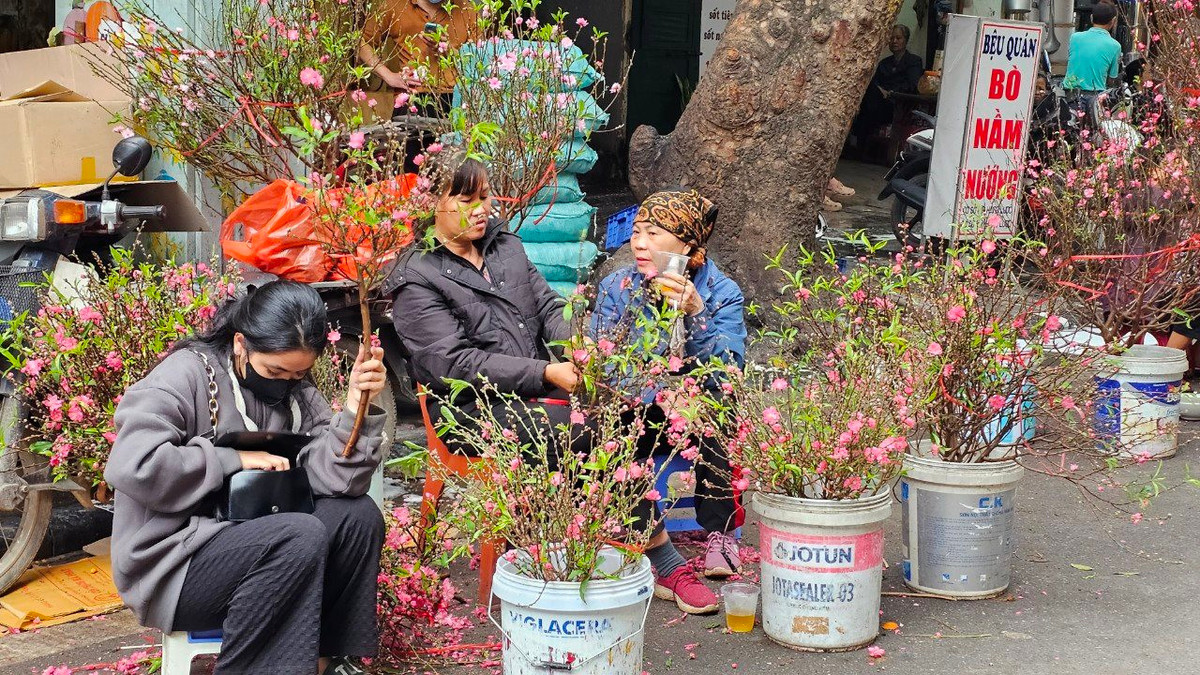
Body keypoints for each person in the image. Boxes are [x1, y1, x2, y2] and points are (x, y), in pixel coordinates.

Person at [388, 157, 720, 615]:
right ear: (433, 204)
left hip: (534, 389)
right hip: (470, 410)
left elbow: (547, 307)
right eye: (467, 200)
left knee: (628, 408)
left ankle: (611, 527)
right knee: (584, 429)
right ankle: (661, 554)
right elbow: (452, 362)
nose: (483, 209)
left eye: (486, 197)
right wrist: (547, 373)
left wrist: (582, 352)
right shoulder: (416, 275)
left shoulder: (503, 245)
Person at [105, 281, 390, 675]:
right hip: (175, 563)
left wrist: (357, 408)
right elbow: (133, 466)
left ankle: (326, 662)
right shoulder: (185, 375)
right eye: (274, 370)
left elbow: (340, 480)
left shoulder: (298, 394)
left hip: (258, 541)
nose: (286, 382)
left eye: (299, 374)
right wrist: (231, 459)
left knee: (357, 516)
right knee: (298, 534)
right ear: (241, 343)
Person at [590, 189, 748, 596]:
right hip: (638, 403)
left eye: (654, 233)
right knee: (606, 423)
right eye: (637, 232)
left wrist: (696, 314)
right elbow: (601, 365)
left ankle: (721, 533)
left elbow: (729, 371)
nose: (639, 243)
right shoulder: (617, 287)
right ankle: (645, 534)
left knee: (720, 408)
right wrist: (658, 392)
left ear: (687, 243)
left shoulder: (722, 292)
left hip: (697, 404)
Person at [357, 0, 477, 98]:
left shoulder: (467, 9)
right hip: (412, 95)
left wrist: (447, 49)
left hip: (457, 96)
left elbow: (480, 62)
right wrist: (388, 76)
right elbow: (360, 43)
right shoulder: (394, 5)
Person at [851, 25, 925, 146]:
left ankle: (858, 142)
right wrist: (881, 90)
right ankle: (857, 142)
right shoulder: (884, 63)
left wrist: (891, 92)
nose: (894, 41)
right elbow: (875, 82)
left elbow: (912, 85)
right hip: (877, 101)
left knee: (870, 106)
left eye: (898, 38)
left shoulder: (914, 61)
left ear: (905, 40)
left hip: (896, 105)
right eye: (891, 38)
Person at [1064, 3, 1122, 96]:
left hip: (1069, 93)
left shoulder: (1075, 37)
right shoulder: (1115, 46)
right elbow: (1112, 78)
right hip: (1094, 97)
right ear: (1113, 21)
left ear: (1091, 18)